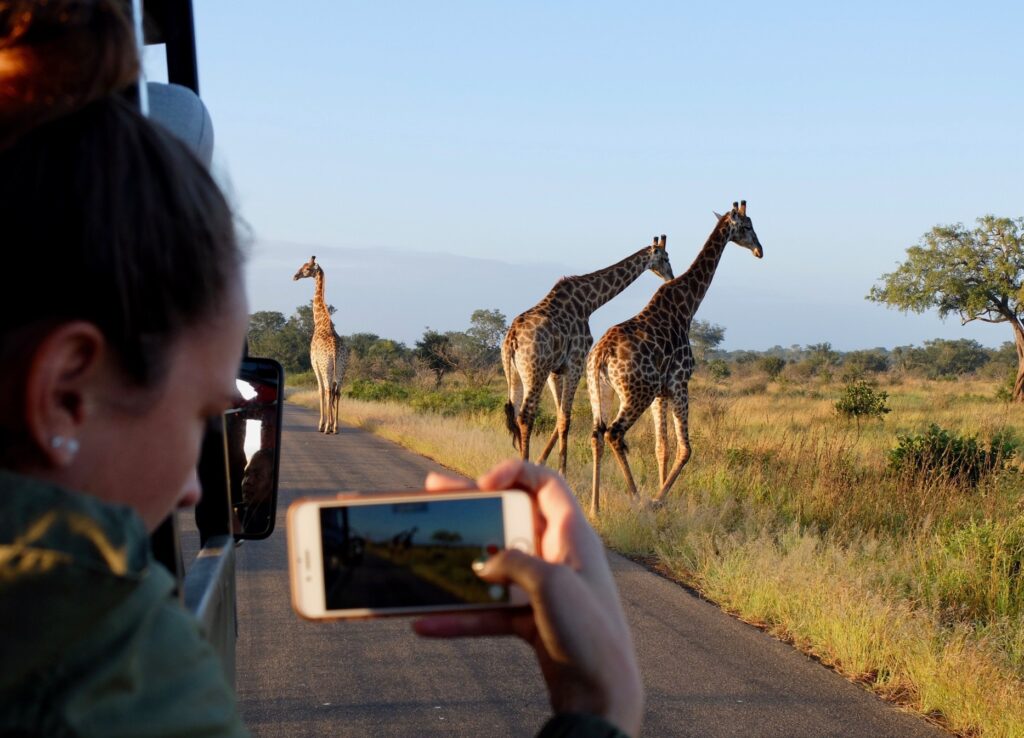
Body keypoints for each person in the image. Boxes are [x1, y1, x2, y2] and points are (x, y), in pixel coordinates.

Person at [0, 2, 643, 737]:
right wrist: (600, 709)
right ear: (62, 394)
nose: (191, 486)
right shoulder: (113, 658)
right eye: (201, 415)